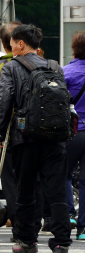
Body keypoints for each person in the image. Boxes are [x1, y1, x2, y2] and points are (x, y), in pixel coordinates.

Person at [0, 24, 72, 253]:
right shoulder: (56, 67)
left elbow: (4, 101)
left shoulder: (12, 68)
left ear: (20, 43)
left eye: (12, 45)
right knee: (56, 193)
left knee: (25, 191)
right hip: (56, 138)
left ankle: (27, 240)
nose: (10, 50)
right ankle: (61, 242)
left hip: (24, 138)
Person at [0, 21, 40, 243]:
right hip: (39, 132)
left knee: (11, 181)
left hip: (9, 135)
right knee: (35, 178)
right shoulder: (42, 64)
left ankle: (19, 225)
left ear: (7, 44)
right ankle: (35, 222)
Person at [63, 31, 85, 240]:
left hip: (72, 132)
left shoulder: (65, 73)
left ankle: (69, 214)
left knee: (65, 175)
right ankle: (84, 228)